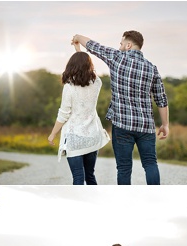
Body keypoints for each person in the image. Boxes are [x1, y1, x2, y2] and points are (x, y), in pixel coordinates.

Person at [72, 31, 169, 185]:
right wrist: (165, 125)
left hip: (122, 125)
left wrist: (77, 37)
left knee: (124, 168)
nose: (120, 46)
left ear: (128, 45)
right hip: (146, 126)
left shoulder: (117, 57)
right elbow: (161, 99)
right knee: (150, 164)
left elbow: (92, 46)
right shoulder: (152, 68)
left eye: (121, 43)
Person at [47, 48, 110, 185]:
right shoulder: (96, 83)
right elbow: (94, 74)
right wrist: (80, 52)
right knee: (90, 176)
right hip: (92, 137)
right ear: (89, 66)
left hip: (75, 138)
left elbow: (64, 114)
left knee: (78, 177)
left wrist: (53, 134)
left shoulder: (69, 87)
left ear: (71, 66)